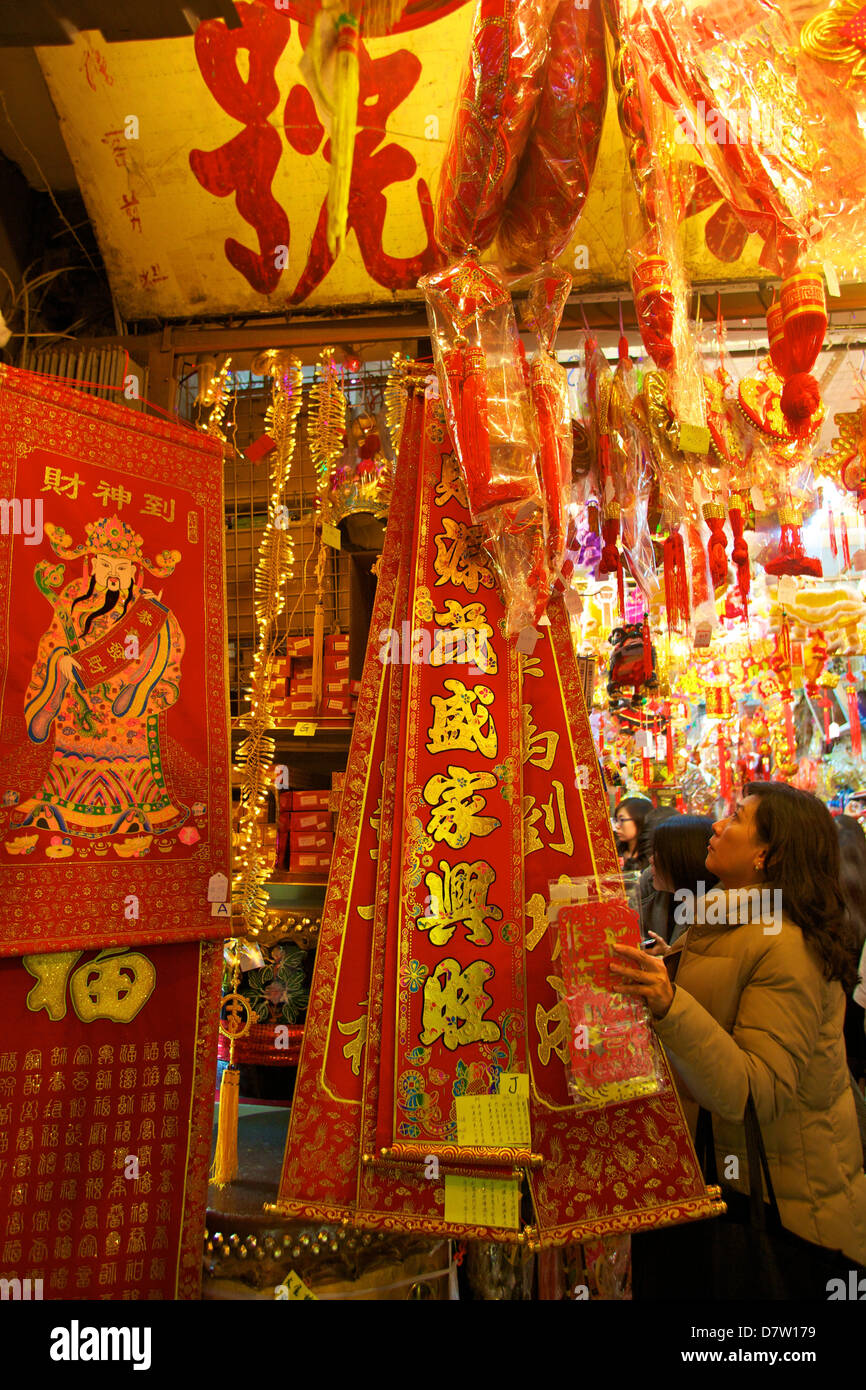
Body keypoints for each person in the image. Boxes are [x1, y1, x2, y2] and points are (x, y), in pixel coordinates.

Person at [611, 781, 866, 1268]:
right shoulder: (728, 920)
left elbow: (752, 1091)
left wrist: (669, 1003)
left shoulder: (787, 945)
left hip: (787, 1221)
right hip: (729, 1189)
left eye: (736, 817)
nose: (716, 825)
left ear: (765, 855)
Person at [639, 815, 718, 947]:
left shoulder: (714, 913)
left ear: (681, 859)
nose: (651, 860)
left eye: (658, 853)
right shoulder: (651, 885)